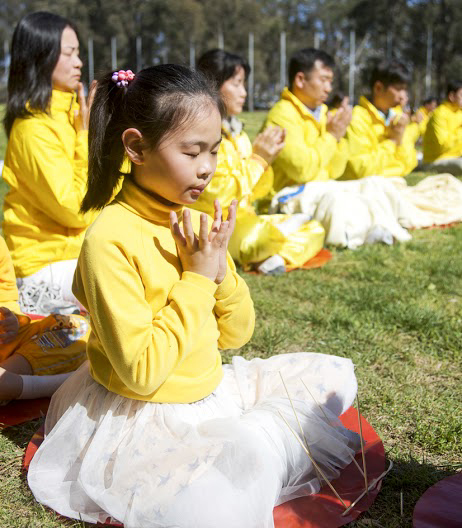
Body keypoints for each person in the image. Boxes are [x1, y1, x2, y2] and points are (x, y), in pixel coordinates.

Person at [28, 64, 359, 528]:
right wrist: (198, 279)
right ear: (136, 147)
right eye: (191, 151)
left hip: (211, 390)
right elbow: (142, 373)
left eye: (215, 150)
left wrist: (219, 272)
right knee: (215, 506)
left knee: (334, 377)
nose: (207, 167)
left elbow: (237, 334)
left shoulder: (194, 220)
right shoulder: (109, 240)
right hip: (145, 413)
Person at [193, 49, 325, 274]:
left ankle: (276, 259)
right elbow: (215, 194)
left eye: (244, 84)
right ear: (211, 85)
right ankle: (273, 252)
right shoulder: (201, 135)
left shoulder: (239, 134)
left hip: (246, 219)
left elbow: (255, 193)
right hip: (212, 225)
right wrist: (258, 160)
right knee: (266, 237)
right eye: (237, 84)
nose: (244, 93)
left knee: (314, 228)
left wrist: (266, 161)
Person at [2, 12, 96, 312]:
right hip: (45, 268)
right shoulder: (33, 129)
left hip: (76, 255)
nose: (79, 62)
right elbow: (76, 209)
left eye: (78, 52)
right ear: (40, 58)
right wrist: (86, 138)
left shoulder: (72, 114)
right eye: (69, 53)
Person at [0, 236, 88, 403]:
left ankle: (11, 378)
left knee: (77, 328)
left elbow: (6, 292)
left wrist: (11, 318)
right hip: (36, 264)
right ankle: (23, 385)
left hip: (8, 345)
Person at [264, 48, 351, 193]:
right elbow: (302, 171)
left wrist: (339, 136)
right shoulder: (282, 115)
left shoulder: (324, 114)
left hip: (320, 190)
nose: (329, 89)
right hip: (289, 195)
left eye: (330, 82)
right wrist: (331, 136)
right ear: (300, 80)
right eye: (323, 80)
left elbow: (336, 171)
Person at [341, 60, 418, 180]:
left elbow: (410, 163)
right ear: (378, 88)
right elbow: (362, 169)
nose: (403, 96)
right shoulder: (358, 118)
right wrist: (392, 141)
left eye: (405, 90)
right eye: (398, 89)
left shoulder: (398, 118)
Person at [422, 80, 462, 174]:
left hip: (457, 156)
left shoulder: (459, 112)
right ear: (451, 96)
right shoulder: (439, 114)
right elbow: (442, 145)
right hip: (436, 160)